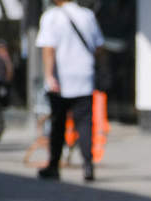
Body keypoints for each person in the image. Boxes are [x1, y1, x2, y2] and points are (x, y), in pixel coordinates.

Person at [34, 0, 103, 182]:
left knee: (58, 124)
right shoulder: (88, 16)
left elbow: (48, 48)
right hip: (84, 77)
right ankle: (88, 166)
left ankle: (54, 166)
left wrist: (49, 75)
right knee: (85, 124)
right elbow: (98, 46)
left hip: (61, 79)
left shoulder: (51, 16)